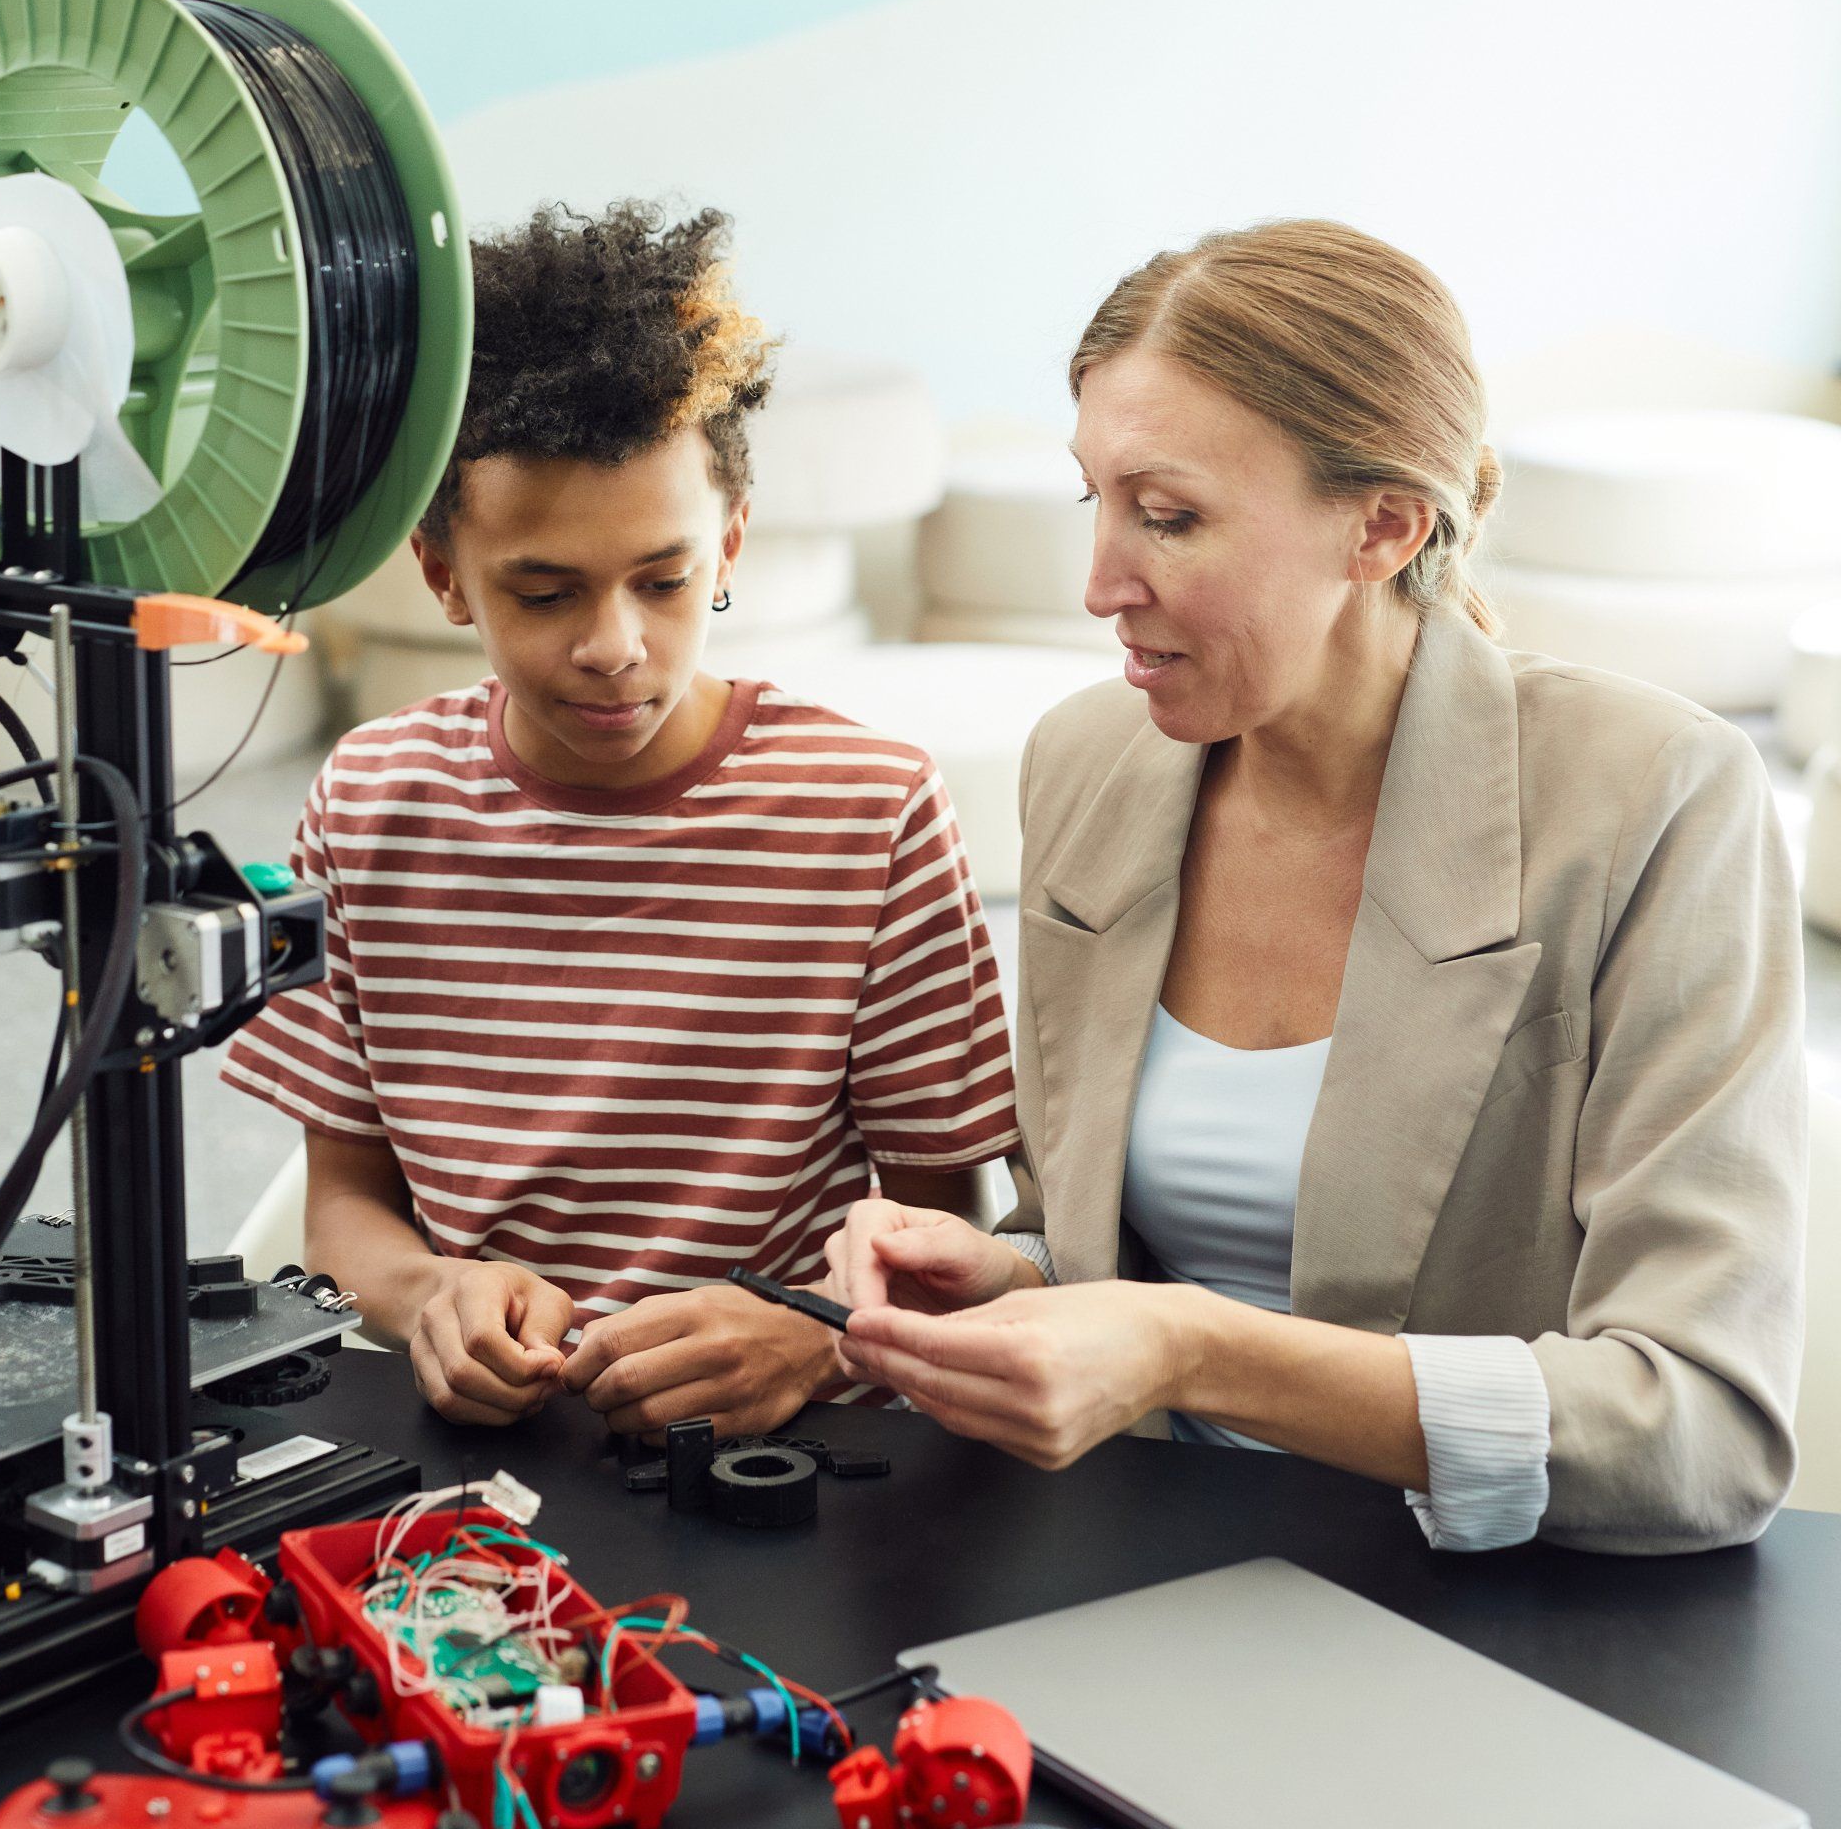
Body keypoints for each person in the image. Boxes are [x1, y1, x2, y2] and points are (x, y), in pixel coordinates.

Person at [822, 219, 1806, 1554]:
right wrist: (1002, 1278)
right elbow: (1104, 1258)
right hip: (1143, 1559)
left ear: (1385, 526)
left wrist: (1186, 1349)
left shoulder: (1656, 798)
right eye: (1093, 501)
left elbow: (1698, 1430)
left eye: (1167, 516)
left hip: (1490, 1614)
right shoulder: (1088, 765)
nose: (1102, 582)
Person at [224, 201, 1018, 1436]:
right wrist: (435, 1292)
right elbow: (343, 1216)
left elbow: (949, 1232)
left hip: (791, 1449)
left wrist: (818, 1338)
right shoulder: (372, 801)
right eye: (543, 592)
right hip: (489, 1442)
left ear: (732, 544)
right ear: (442, 575)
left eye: (666, 581)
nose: (614, 647)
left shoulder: (872, 812)